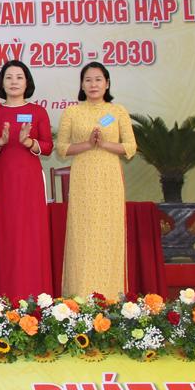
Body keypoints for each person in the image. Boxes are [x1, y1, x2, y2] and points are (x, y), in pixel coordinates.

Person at [55, 61, 137, 297]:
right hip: (83, 179)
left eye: (98, 79)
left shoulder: (117, 111)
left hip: (110, 179)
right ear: (81, 84)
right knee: (82, 236)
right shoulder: (72, 112)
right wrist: (88, 144)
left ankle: (110, 295)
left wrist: (105, 144)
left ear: (107, 83)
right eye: (88, 80)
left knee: (108, 234)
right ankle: (79, 295)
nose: (93, 84)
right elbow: (62, 148)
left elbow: (130, 147)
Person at [0, 60, 53, 302]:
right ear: (2, 83)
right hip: (5, 181)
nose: (14, 82)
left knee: (32, 236)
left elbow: (48, 146)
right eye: (9, 77)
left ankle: (36, 296)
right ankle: (5, 295)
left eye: (19, 77)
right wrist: (0, 142)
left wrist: (28, 142)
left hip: (31, 182)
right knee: (7, 235)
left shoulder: (38, 112)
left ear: (27, 82)